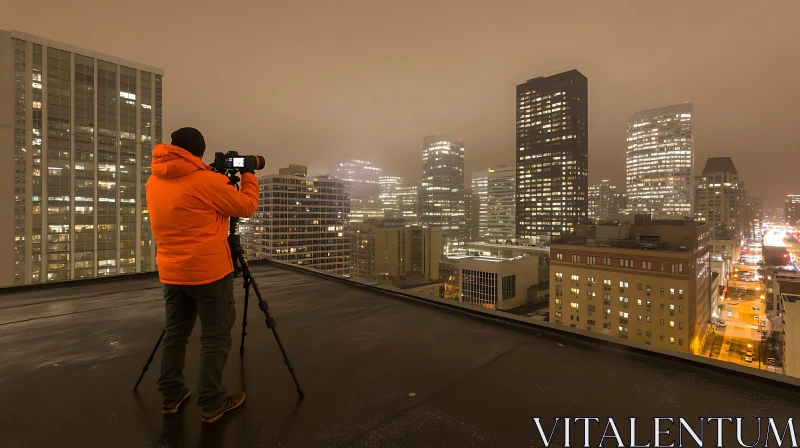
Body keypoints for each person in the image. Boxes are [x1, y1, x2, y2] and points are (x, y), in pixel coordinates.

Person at [146, 127, 258, 423]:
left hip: (171, 272)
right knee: (215, 338)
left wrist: (209, 172)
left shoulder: (154, 181)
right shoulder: (207, 182)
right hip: (209, 273)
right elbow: (246, 206)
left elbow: (189, 197)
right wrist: (247, 174)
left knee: (175, 336)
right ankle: (212, 403)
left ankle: (171, 396)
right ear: (200, 151)